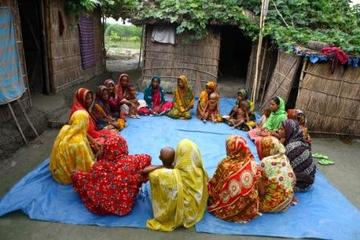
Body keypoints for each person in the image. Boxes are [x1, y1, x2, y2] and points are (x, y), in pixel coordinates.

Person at [146, 139, 208, 231]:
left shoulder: (167, 175)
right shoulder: (200, 172)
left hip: (183, 215)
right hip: (194, 212)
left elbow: (149, 174)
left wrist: (163, 166)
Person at [72, 144, 151, 216]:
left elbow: (92, 176)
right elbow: (148, 157)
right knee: (136, 175)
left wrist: (99, 157)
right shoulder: (133, 161)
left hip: (99, 206)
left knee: (77, 175)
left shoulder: (100, 164)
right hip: (124, 207)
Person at [208, 135, 261, 223]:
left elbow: (214, 184)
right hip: (249, 209)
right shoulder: (254, 164)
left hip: (227, 208)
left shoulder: (225, 164)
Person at [70, 88, 128, 159]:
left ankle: (118, 155)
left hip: (93, 132)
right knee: (112, 140)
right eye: (87, 98)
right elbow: (82, 132)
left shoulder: (84, 108)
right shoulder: (79, 113)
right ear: (81, 98)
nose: (90, 100)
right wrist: (96, 140)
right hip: (86, 138)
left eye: (91, 98)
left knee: (115, 136)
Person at [49, 110, 95, 184]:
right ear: (84, 123)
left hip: (57, 171)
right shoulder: (79, 144)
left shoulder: (65, 128)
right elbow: (86, 167)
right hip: (66, 177)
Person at [256, 136, 296, 213]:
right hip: (287, 200)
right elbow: (294, 179)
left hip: (273, 205)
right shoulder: (284, 157)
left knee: (255, 176)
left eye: (262, 148)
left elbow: (262, 192)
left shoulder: (265, 162)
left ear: (267, 149)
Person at [279, 119, 316, 192]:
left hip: (302, 184)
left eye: (281, 129)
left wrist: (280, 144)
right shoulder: (299, 140)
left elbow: (279, 165)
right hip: (308, 179)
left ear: (288, 131)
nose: (278, 130)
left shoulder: (291, 147)